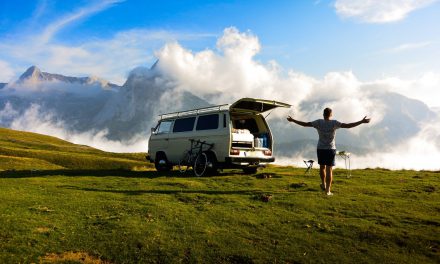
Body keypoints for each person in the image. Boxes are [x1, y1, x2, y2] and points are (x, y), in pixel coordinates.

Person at [287, 108, 370, 196]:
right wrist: (361, 121)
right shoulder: (334, 123)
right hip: (330, 149)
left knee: (322, 167)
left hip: (321, 148)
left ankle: (323, 184)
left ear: (323, 114)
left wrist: (293, 120)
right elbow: (348, 126)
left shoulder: (318, 122)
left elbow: (305, 124)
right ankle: (327, 191)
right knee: (329, 169)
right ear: (331, 115)